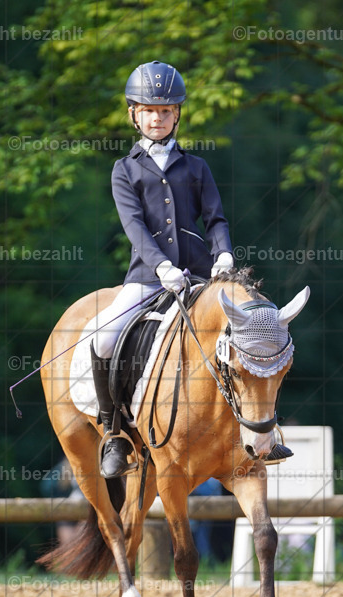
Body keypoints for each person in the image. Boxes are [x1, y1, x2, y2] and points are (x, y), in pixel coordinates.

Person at [91, 61, 235, 479]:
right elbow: (134, 228)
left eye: (166, 111)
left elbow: (216, 219)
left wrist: (224, 255)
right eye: (149, 111)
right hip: (147, 278)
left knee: (249, 331)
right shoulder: (125, 169)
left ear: (177, 115)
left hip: (201, 278)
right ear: (134, 114)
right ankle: (115, 433)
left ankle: (257, 427)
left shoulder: (197, 167)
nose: (157, 118)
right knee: (103, 339)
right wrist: (162, 267)